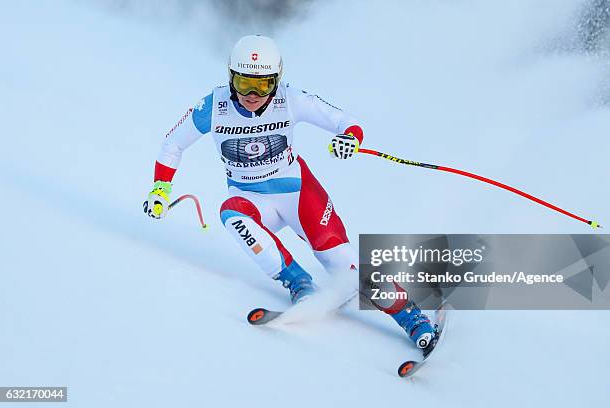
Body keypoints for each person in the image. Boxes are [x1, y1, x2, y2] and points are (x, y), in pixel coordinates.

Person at [143, 35, 435, 349]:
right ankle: (299, 283)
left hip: (297, 193)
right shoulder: (213, 107)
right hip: (251, 198)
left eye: (264, 85)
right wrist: (161, 188)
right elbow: (173, 143)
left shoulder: (291, 99)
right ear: (231, 78)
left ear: (277, 81)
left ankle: (412, 317)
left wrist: (350, 138)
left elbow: (346, 122)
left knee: (342, 264)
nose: (253, 95)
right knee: (230, 213)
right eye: (243, 83)